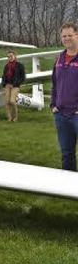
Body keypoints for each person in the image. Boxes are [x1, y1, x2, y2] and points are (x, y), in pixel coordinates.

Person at [51, 22, 78, 171]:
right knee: (67, 154)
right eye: (64, 36)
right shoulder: (59, 59)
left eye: (70, 35)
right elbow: (55, 83)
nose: (67, 38)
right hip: (61, 114)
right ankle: (70, 189)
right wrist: (53, 105)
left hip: (77, 115)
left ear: (77, 35)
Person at [1, 51, 25, 122]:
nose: (9, 58)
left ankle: (16, 117)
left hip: (15, 85)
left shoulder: (20, 65)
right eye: (8, 57)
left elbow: (23, 77)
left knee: (12, 101)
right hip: (7, 85)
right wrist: (4, 84)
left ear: (15, 56)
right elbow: (3, 76)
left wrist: (17, 83)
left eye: (11, 56)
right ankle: (9, 118)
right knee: (7, 102)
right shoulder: (6, 66)